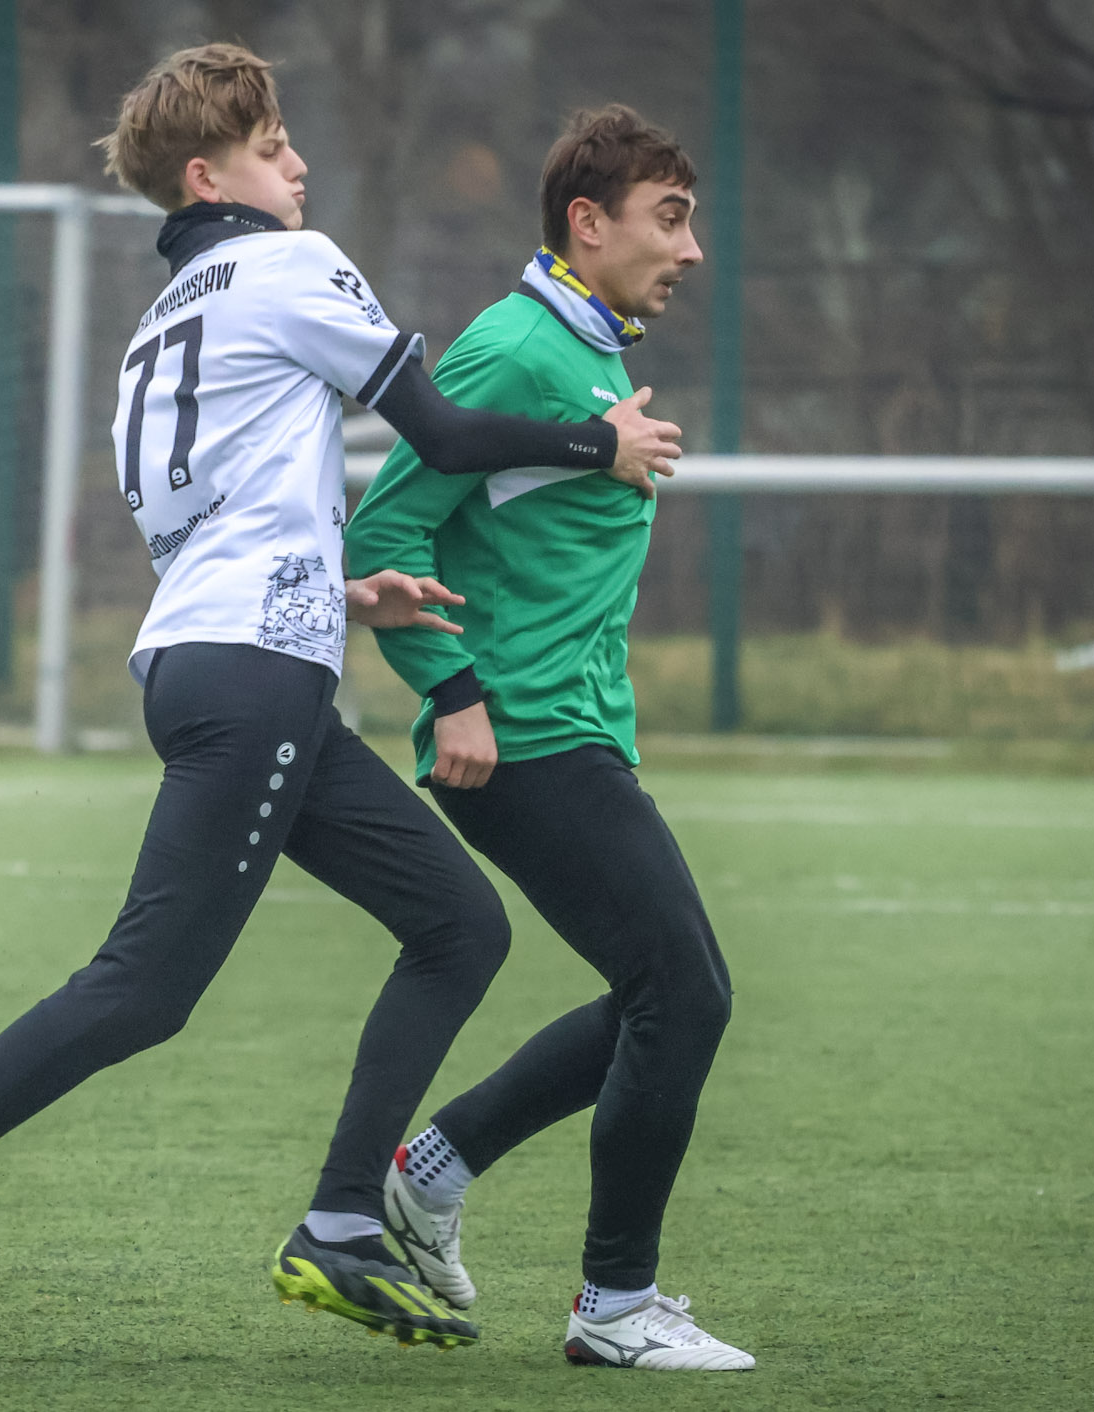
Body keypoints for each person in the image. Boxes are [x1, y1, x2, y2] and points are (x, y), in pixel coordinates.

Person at [0, 44, 684, 1371]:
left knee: (457, 924)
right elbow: (440, 433)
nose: (298, 165)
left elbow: (223, 518)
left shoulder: (159, 327)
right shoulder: (291, 265)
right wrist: (597, 443)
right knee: (142, 985)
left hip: (222, 658)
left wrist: (348, 591)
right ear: (209, 178)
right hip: (254, 673)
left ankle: (343, 1215)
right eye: (272, 147)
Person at [344, 105, 753, 1372]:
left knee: (659, 992)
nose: (690, 249)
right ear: (587, 223)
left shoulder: (584, 352)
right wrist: (452, 689)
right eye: (668, 219)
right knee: (682, 992)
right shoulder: (515, 347)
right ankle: (614, 1306)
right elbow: (381, 534)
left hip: (573, 733)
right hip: (515, 739)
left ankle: (432, 1167)